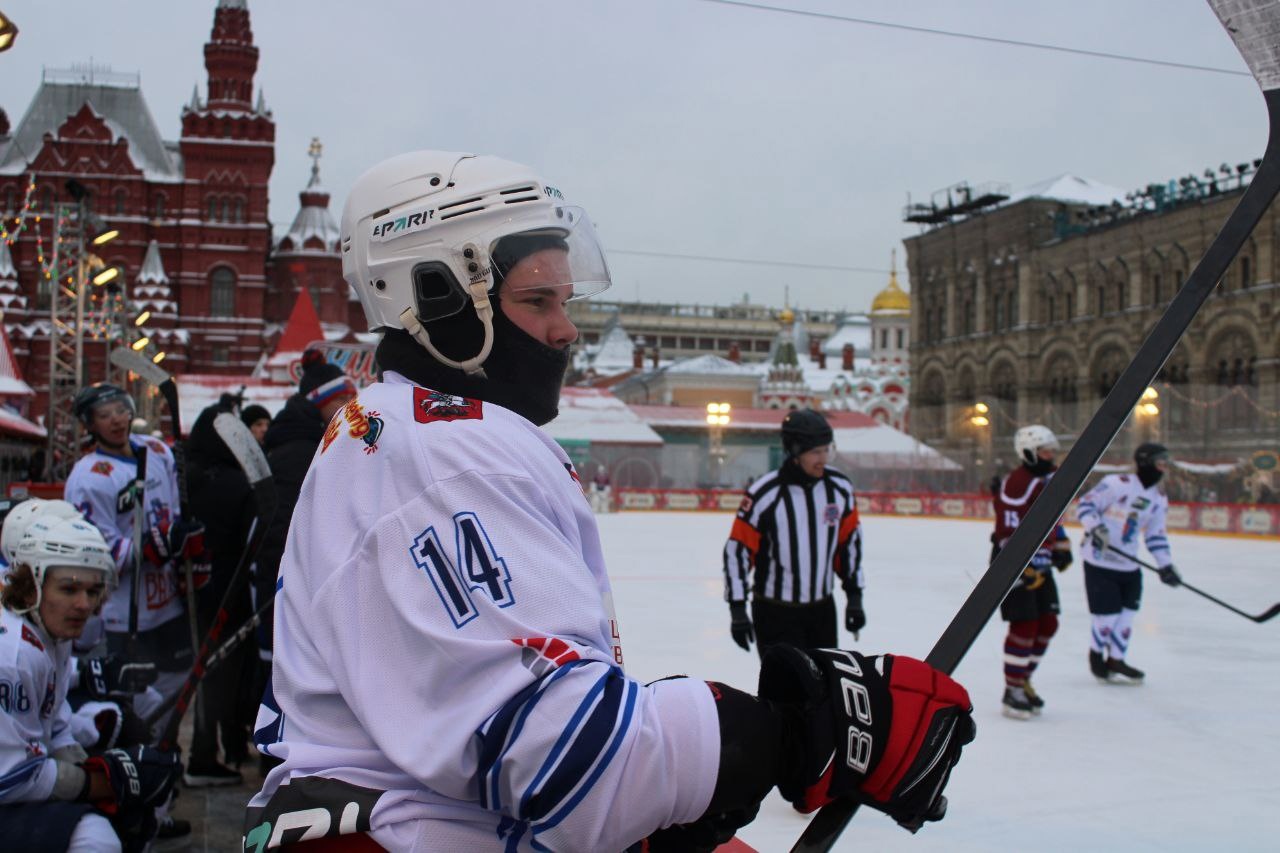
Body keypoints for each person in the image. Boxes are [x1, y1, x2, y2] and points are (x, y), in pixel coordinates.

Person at [245, 150, 974, 851]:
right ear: (438, 299)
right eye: (538, 301)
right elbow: (565, 762)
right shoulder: (445, 461)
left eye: (564, 299)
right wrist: (794, 736)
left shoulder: (400, 427)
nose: (567, 329)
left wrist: (671, 802)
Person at [0, 512, 181, 852]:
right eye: (68, 589)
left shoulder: (47, 631)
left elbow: (53, 727)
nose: (84, 604)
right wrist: (107, 781)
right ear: (31, 588)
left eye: (93, 590)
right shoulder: (14, 656)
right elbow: (10, 778)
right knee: (95, 838)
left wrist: (95, 767)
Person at [63, 384, 207, 736]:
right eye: (104, 415)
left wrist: (188, 543)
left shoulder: (157, 450)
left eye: (120, 410)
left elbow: (174, 513)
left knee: (178, 681)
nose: (116, 420)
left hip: (168, 603)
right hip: (123, 612)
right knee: (134, 694)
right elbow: (94, 551)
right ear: (90, 424)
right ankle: (140, 752)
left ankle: (163, 750)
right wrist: (153, 545)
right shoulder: (88, 476)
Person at [249, 347, 358, 767]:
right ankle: (276, 762)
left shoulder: (316, 442)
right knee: (288, 677)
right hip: (292, 585)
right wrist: (280, 586)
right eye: (342, 401)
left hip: (307, 581)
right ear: (320, 403)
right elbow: (281, 529)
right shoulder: (301, 451)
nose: (351, 408)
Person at [722, 409, 865, 660]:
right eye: (815, 452)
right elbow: (738, 551)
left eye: (827, 450)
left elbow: (849, 544)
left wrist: (854, 597)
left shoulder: (839, 489)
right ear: (795, 452)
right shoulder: (765, 494)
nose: (823, 459)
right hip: (775, 613)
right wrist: (737, 608)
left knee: (826, 692)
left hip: (821, 612)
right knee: (784, 694)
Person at [182, 399, 262, 787]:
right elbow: (253, 536)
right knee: (223, 677)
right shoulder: (236, 482)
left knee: (196, 677)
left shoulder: (184, 477)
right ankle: (210, 753)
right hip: (229, 591)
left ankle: (203, 751)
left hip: (187, 593)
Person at [1076, 442, 1181, 684]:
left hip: (1129, 564)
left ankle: (1116, 659)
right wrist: (1097, 529)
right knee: (1106, 616)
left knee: (1127, 615)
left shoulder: (1158, 498)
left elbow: (1156, 534)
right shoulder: (1116, 484)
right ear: (1146, 462)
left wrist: (1165, 564)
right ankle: (1096, 655)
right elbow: (1086, 505)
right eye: (1160, 462)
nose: (1164, 467)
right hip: (1100, 562)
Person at [991, 425, 1073, 719]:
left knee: (1048, 624)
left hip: (1041, 564)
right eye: (1045, 451)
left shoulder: (1047, 479)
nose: (1051, 456)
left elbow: (1054, 517)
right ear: (1028, 452)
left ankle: (1023, 677)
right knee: (1024, 627)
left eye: (1052, 450)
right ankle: (1011, 689)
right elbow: (1006, 528)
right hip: (1015, 565)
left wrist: (1061, 546)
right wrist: (1018, 566)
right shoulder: (1017, 482)